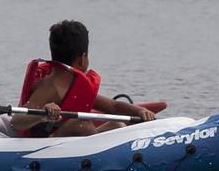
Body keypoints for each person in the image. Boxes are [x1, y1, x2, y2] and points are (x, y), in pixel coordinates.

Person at [9, 20, 158, 138]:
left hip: (68, 142)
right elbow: (17, 121)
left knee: (117, 125)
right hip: (43, 145)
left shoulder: (74, 84)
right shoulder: (51, 85)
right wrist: (43, 113)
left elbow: (113, 106)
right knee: (82, 124)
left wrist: (140, 111)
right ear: (83, 58)